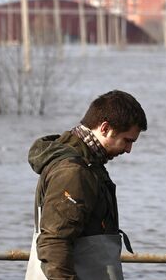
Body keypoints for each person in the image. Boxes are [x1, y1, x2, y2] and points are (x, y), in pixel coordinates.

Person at [25, 90, 147, 280]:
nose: (129, 150)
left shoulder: (89, 164)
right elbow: (54, 243)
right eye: (127, 140)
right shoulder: (74, 172)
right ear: (105, 128)